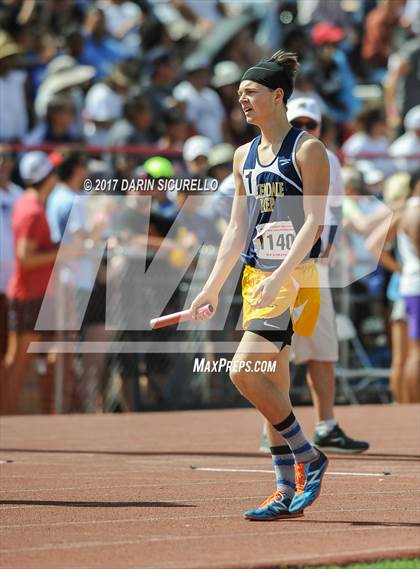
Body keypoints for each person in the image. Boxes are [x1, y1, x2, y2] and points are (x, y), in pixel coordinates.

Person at [190, 50, 329, 521]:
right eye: (239, 96)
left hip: (293, 277)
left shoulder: (307, 149)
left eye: (250, 93)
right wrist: (211, 287)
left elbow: (313, 223)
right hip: (256, 277)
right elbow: (235, 229)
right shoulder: (242, 156)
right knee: (272, 385)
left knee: (242, 370)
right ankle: (284, 491)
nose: (242, 102)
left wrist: (281, 276)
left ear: (277, 95)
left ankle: (308, 456)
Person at [259, 97, 369, 454]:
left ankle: (326, 425)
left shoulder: (326, 158)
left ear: (321, 128)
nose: (305, 131)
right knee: (274, 350)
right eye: (299, 123)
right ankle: (273, 429)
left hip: (309, 267)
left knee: (321, 348)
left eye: (312, 125)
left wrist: (327, 247)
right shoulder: (267, 154)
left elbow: (333, 209)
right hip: (273, 263)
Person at [3, 152, 59, 414]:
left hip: (30, 292)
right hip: (28, 293)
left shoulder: (26, 202)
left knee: (20, 359)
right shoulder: (32, 209)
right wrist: (62, 252)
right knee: (19, 360)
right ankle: (7, 419)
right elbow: (25, 257)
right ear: (48, 177)